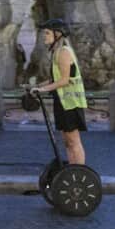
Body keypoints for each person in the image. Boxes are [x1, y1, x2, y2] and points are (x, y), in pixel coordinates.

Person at [30, 19, 88, 165]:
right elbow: (54, 79)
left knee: (74, 141)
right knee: (67, 142)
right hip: (62, 102)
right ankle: (71, 169)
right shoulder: (57, 52)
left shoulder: (63, 52)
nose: (44, 36)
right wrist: (36, 86)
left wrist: (42, 90)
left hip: (70, 103)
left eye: (47, 33)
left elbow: (64, 80)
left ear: (58, 34)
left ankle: (79, 171)